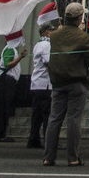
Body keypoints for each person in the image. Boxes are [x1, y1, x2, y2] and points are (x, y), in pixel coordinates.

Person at [43, 2, 89, 167]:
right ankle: (73, 157)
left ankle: (48, 157)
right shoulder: (83, 37)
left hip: (58, 82)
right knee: (74, 120)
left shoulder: (55, 35)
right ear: (79, 17)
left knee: (54, 119)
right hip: (77, 83)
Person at [0, 30, 27, 142]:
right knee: (3, 108)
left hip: (7, 82)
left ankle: (0, 133)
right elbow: (8, 64)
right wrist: (20, 57)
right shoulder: (10, 49)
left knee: (3, 108)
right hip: (7, 82)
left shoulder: (10, 49)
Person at [27, 19, 55, 149]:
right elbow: (48, 61)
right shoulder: (46, 45)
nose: (52, 32)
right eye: (51, 30)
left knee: (37, 115)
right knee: (47, 114)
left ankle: (33, 139)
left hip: (37, 83)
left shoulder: (38, 44)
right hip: (45, 84)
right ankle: (49, 140)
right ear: (45, 32)